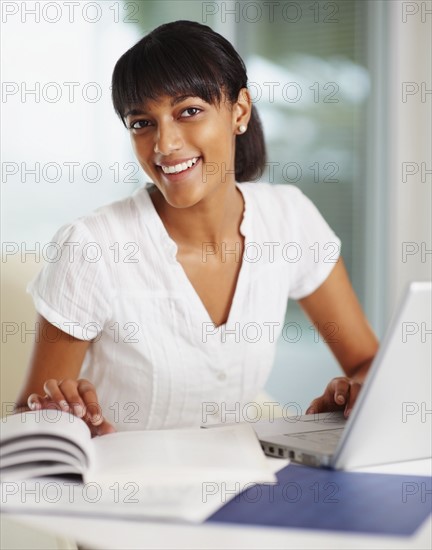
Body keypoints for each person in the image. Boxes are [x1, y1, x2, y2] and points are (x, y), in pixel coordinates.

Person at [15, 20, 378, 436]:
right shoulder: (92, 247)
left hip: (240, 483)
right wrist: (67, 424)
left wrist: (352, 395)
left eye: (188, 111)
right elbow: (32, 421)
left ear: (239, 110)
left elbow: (368, 363)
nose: (164, 145)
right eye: (142, 123)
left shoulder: (289, 220)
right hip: (116, 491)